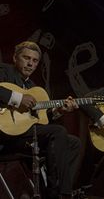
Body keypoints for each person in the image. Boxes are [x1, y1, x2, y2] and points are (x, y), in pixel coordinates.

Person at [0, 41, 81, 199]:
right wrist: (18, 98)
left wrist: (58, 111)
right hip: (5, 136)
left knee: (73, 143)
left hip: (24, 136)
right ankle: (59, 194)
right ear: (15, 58)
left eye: (35, 60)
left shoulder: (33, 86)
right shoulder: (4, 71)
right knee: (58, 132)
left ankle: (54, 190)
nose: (30, 63)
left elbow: (39, 119)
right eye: (26, 58)